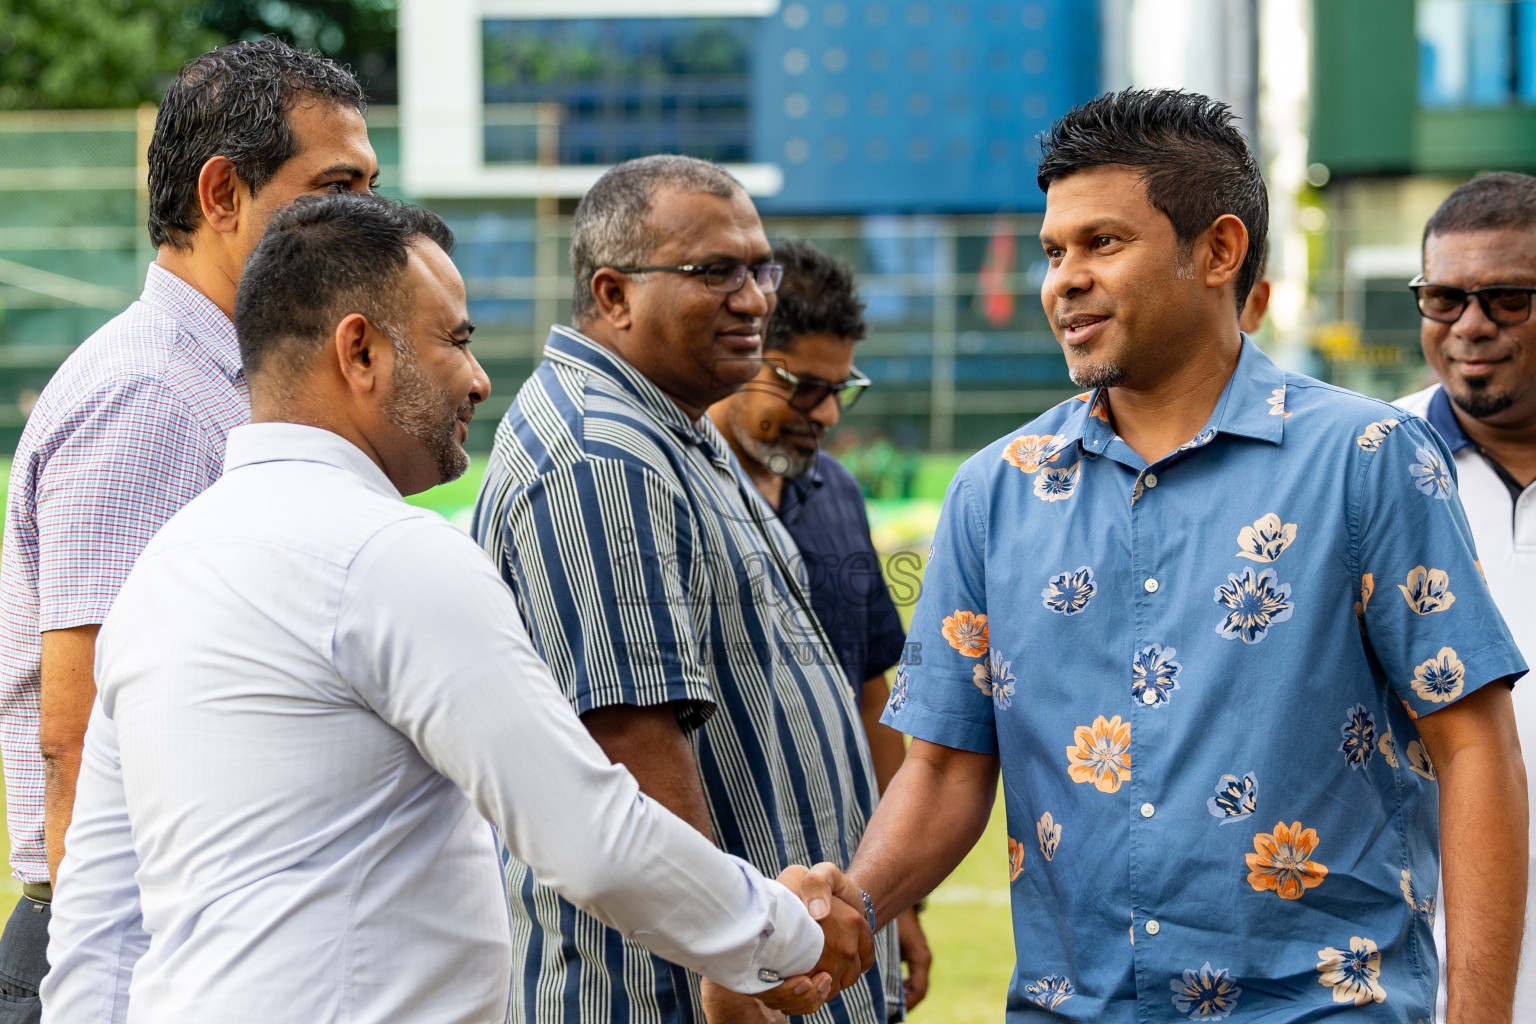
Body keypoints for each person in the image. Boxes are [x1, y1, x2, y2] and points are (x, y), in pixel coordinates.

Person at [41, 193, 874, 1024]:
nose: (478, 378)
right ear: (359, 350)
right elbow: (588, 835)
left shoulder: (163, 572)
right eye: (457, 340)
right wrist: (788, 934)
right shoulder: (389, 554)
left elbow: (99, 920)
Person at [846, 88, 1529, 1023]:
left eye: (1102, 244)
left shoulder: (1366, 461)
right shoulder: (993, 490)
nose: (1064, 280)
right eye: (1054, 251)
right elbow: (943, 769)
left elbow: (1474, 744)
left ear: (1217, 251)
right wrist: (851, 909)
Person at [471, 155, 901, 1024]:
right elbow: (628, 750)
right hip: (685, 998)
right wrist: (738, 957)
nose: (753, 298)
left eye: (759, 268)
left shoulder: (674, 428)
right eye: (715, 272)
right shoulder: (599, 456)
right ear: (614, 293)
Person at [0, 39, 377, 1019]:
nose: (367, 218)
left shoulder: (227, 380)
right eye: (334, 185)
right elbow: (82, 729)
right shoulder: (152, 394)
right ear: (223, 195)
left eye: (372, 185)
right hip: (126, 944)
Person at [706, 240, 930, 1011]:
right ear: (739, 352)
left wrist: (897, 902)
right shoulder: (670, 493)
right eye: (802, 387)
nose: (825, 415)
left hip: (844, 920)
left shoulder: (836, 492)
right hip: (720, 931)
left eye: (840, 390)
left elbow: (874, 700)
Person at [1395, 171, 1536, 1021]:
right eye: (1443, 298)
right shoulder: (1367, 466)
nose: (1470, 325)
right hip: (1426, 974)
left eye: (1508, 298)